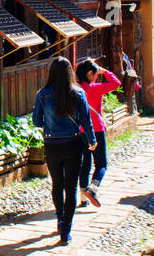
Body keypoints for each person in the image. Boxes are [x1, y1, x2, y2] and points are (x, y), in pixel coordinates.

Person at [32, 56, 97, 246]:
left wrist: (50, 126)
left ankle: (60, 218)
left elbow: (36, 122)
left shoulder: (42, 94)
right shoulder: (78, 93)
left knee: (57, 184)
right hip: (73, 144)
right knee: (71, 187)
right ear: (70, 72)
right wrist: (92, 141)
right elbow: (86, 120)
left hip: (52, 144)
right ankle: (66, 229)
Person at [75, 58, 121, 208]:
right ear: (89, 74)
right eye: (95, 74)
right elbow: (116, 83)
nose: (96, 76)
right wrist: (105, 71)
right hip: (96, 130)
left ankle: (83, 198)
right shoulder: (96, 88)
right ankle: (93, 188)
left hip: (80, 130)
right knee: (101, 163)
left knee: (85, 164)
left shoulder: (76, 89)